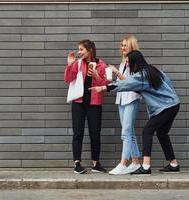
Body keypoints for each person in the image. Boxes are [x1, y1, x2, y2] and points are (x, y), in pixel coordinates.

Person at [91, 50, 180, 175]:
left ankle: (146, 166)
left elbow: (125, 84)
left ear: (134, 62)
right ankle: (173, 163)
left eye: (128, 62)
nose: (127, 64)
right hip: (173, 104)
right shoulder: (153, 70)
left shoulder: (141, 75)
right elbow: (167, 83)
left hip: (164, 107)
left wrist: (103, 88)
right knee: (162, 133)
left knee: (147, 131)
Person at [64, 39, 107, 174]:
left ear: (90, 50)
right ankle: (77, 163)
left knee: (95, 134)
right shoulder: (77, 63)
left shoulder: (101, 64)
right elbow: (67, 79)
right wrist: (69, 65)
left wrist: (95, 75)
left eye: (81, 49)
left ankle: (96, 163)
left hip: (95, 103)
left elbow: (105, 84)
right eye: (79, 49)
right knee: (78, 133)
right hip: (78, 103)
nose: (79, 52)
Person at [108, 35, 141, 175]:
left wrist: (116, 72)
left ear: (131, 46)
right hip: (122, 99)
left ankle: (123, 163)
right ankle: (135, 162)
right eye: (121, 45)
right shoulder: (122, 63)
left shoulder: (135, 62)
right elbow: (120, 84)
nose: (122, 48)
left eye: (125, 45)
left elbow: (132, 83)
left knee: (126, 133)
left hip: (131, 99)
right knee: (129, 132)